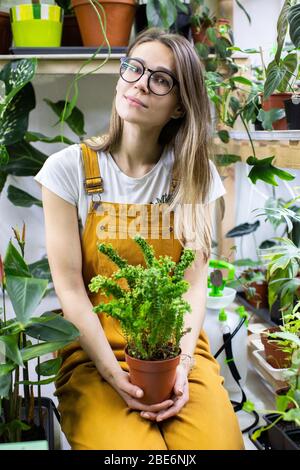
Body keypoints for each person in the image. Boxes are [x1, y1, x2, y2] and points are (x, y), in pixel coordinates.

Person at [34, 27, 244, 450]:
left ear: (180, 106)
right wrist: (114, 373)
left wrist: (182, 367)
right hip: (97, 356)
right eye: (134, 68)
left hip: (178, 350)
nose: (140, 84)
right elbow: (71, 289)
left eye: (161, 79)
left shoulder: (194, 174)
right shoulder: (67, 170)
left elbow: (193, 283)